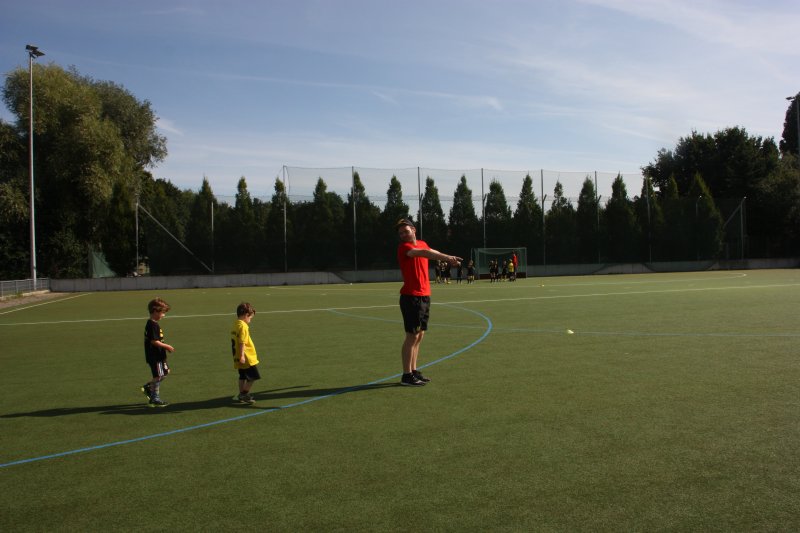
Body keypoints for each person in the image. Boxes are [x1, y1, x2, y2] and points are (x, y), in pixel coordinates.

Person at [395, 218, 462, 386]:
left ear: (413, 230)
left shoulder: (422, 243)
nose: (403, 235)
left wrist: (447, 257)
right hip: (411, 297)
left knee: (419, 335)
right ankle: (406, 375)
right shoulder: (405, 248)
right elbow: (424, 253)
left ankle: (413, 371)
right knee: (411, 336)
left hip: (424, 295)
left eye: (406, 231)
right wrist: (447, 257)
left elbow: (430, 250)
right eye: (401, 233)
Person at [142, 297, 174, 407]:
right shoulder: (152, 325)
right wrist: (167, 346)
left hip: (159, 355)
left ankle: (149, 386)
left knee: (165, 372)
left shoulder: (153, 323)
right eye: (163, 313)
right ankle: (154, 398)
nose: (163, 315)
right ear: (155, 311)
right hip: (155, 356)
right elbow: (154, 341)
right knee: (158, 376)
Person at [231, 302, 260, 404]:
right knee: (254, 376)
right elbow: (242, 342)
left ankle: (241, 394)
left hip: (237, 356)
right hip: (247, 358)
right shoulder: (243, 327)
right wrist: (242, 356)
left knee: (242, 376)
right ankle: (244, 394)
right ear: (246, 315)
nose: (250, 320)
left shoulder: (236, 324)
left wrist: (239, 356)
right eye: (250, 318)